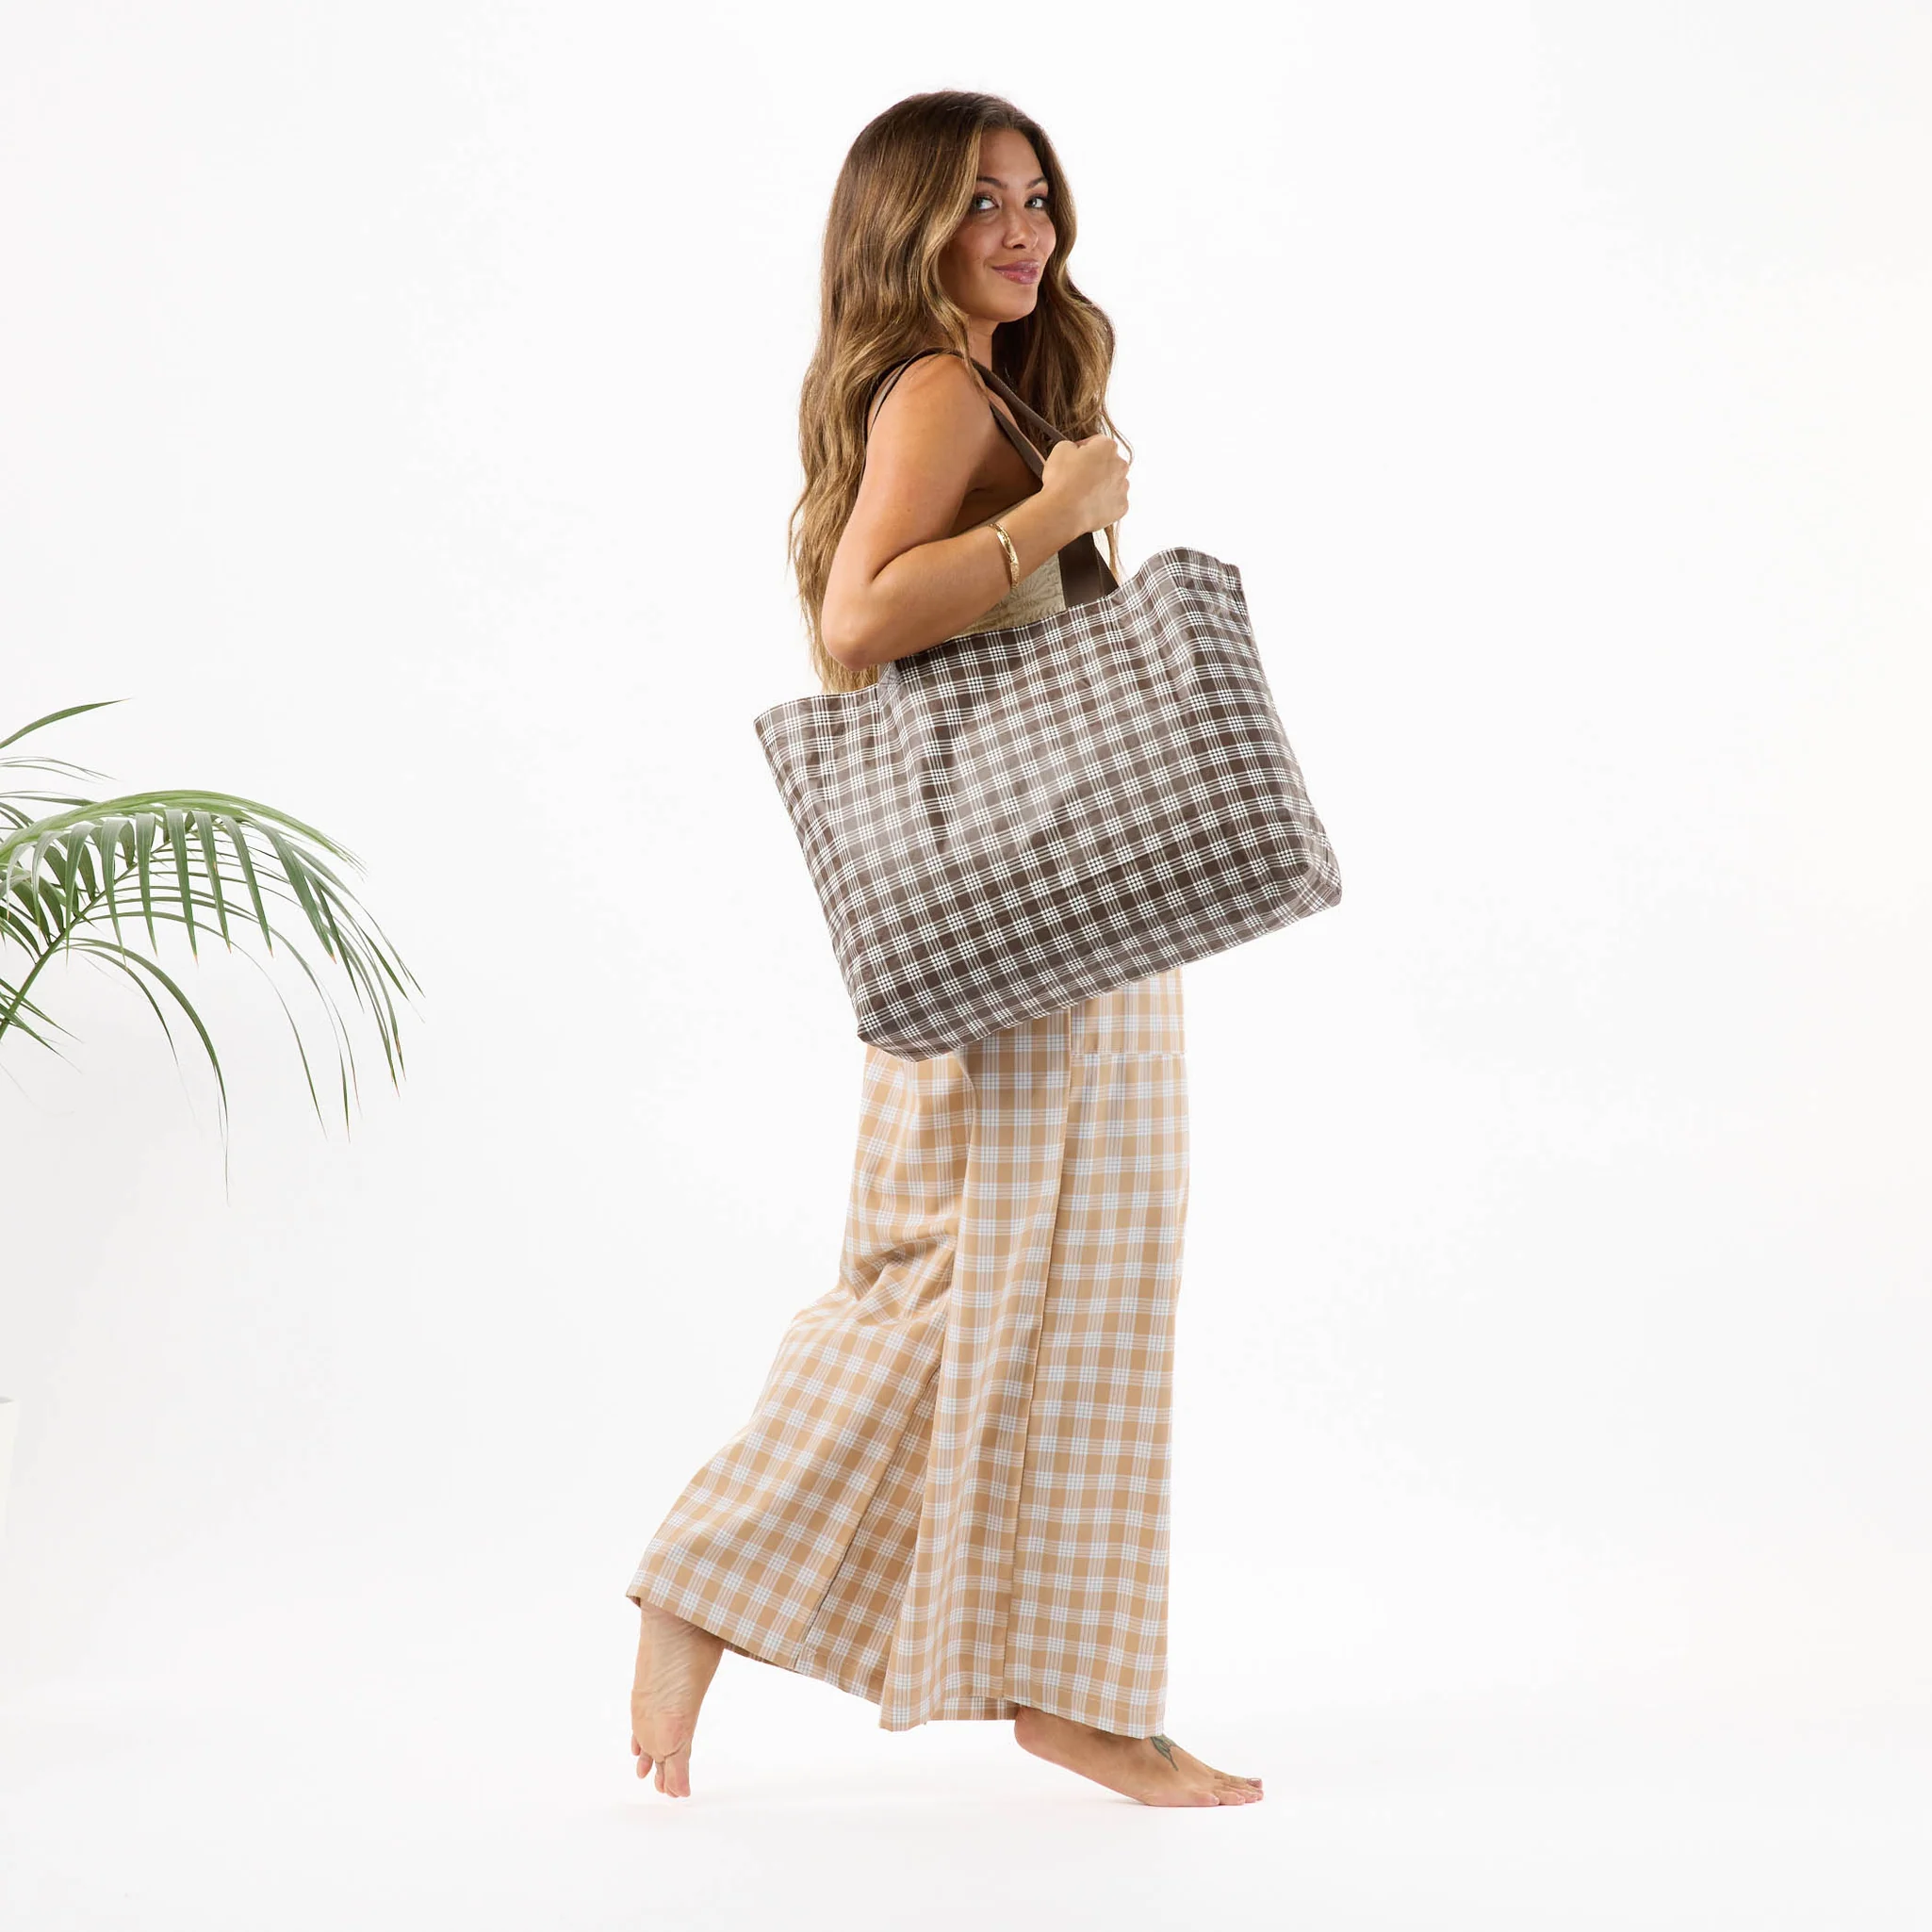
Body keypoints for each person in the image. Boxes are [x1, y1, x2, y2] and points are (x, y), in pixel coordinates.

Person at [623, 90, 1263, 1810]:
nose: (1022, 229)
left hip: (1072, 904)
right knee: (960, 1272)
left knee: (1083, 1288)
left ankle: (1074, 1691)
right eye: (981, 200)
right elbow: (859, 618)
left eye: (1036, 196)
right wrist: (1059, 512)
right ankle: (708, 1571)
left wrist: (1057, 495)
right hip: (1023, 915)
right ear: (905, 223)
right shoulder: (935, 389)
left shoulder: (988, 384)